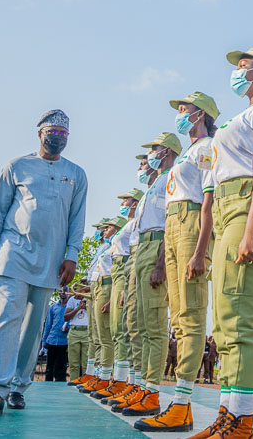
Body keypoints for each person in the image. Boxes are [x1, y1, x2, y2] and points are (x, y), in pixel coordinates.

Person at [187, 45, 253, 439]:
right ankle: (228, 413)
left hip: (246, 203)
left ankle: (241, 421)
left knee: (241, 312)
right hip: (225, 204)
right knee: (224, 320)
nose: (238, 71)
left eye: (244, 65)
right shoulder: (236, 119)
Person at [0, 109, 87, 416]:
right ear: (40, 133)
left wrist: (71, 256)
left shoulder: (76, 174)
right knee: (9, 316)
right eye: (52, 132)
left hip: (51, 261)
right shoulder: (17, 166)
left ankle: (18, 386)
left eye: (63, 134)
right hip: (13, 253)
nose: (57, 138)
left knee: (33, 326)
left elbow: (77, 219)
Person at [134, 92, 219, 432]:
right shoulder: (188, 153)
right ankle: (177, 403)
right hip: (172, 225)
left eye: (185, 108)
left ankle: (183, 402)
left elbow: (210, 200)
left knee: (191, 315)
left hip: (191, 221)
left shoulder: (208, 146)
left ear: (201, 114)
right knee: (178, 317)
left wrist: (200, 250)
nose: (180, 113)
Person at [107, 157, 158, 411]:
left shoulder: (159, 187)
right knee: (131, 328)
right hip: (132, 265)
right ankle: (134, 385)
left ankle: (146, 390)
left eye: (126, 200)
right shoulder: (147, 198)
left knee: (145, 328)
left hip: (145, 256)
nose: (142, 164)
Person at [94, 189, 142, 404]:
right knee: (115, 331)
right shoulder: (128, 226)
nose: (123, 202)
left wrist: (123, 289)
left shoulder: (132, 224)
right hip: (117, 273)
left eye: (127, 199)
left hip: (125, 272)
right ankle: (118, 380)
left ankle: (124, 381)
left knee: (123, 331)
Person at [80, 217, 123, 394]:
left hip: (107, 286)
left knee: (106, 336)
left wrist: (111, 298)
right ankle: (97, 374)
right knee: (96, 335)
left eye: (108, 227)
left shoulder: (115, 246)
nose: (103, 231)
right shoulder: (106, 246)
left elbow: (118, 274)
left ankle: (105, 377)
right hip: (98, 286)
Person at [41, 288, 70, 382]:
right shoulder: (53, 307)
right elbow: (48, 324)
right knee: (49, 368)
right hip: (52, 339)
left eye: (65, 291)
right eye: (61, 291)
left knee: (61, 368)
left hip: (64, 341)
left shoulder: (71, 307)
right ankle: (46, 388)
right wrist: (44, 341)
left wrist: (68, 327)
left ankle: (60, 389)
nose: (63, 293)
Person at [65, 280, 91, 382]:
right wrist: (78, 308)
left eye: (86, 283)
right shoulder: (72, 299)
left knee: (86, 363)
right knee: (73, 363)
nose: (84, 285)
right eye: (82, 282)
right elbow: (66, 317)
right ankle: (73, 383)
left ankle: (86, 384)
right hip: (74, 331)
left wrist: (86, 307)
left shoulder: (92, 297)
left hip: (87, 331)